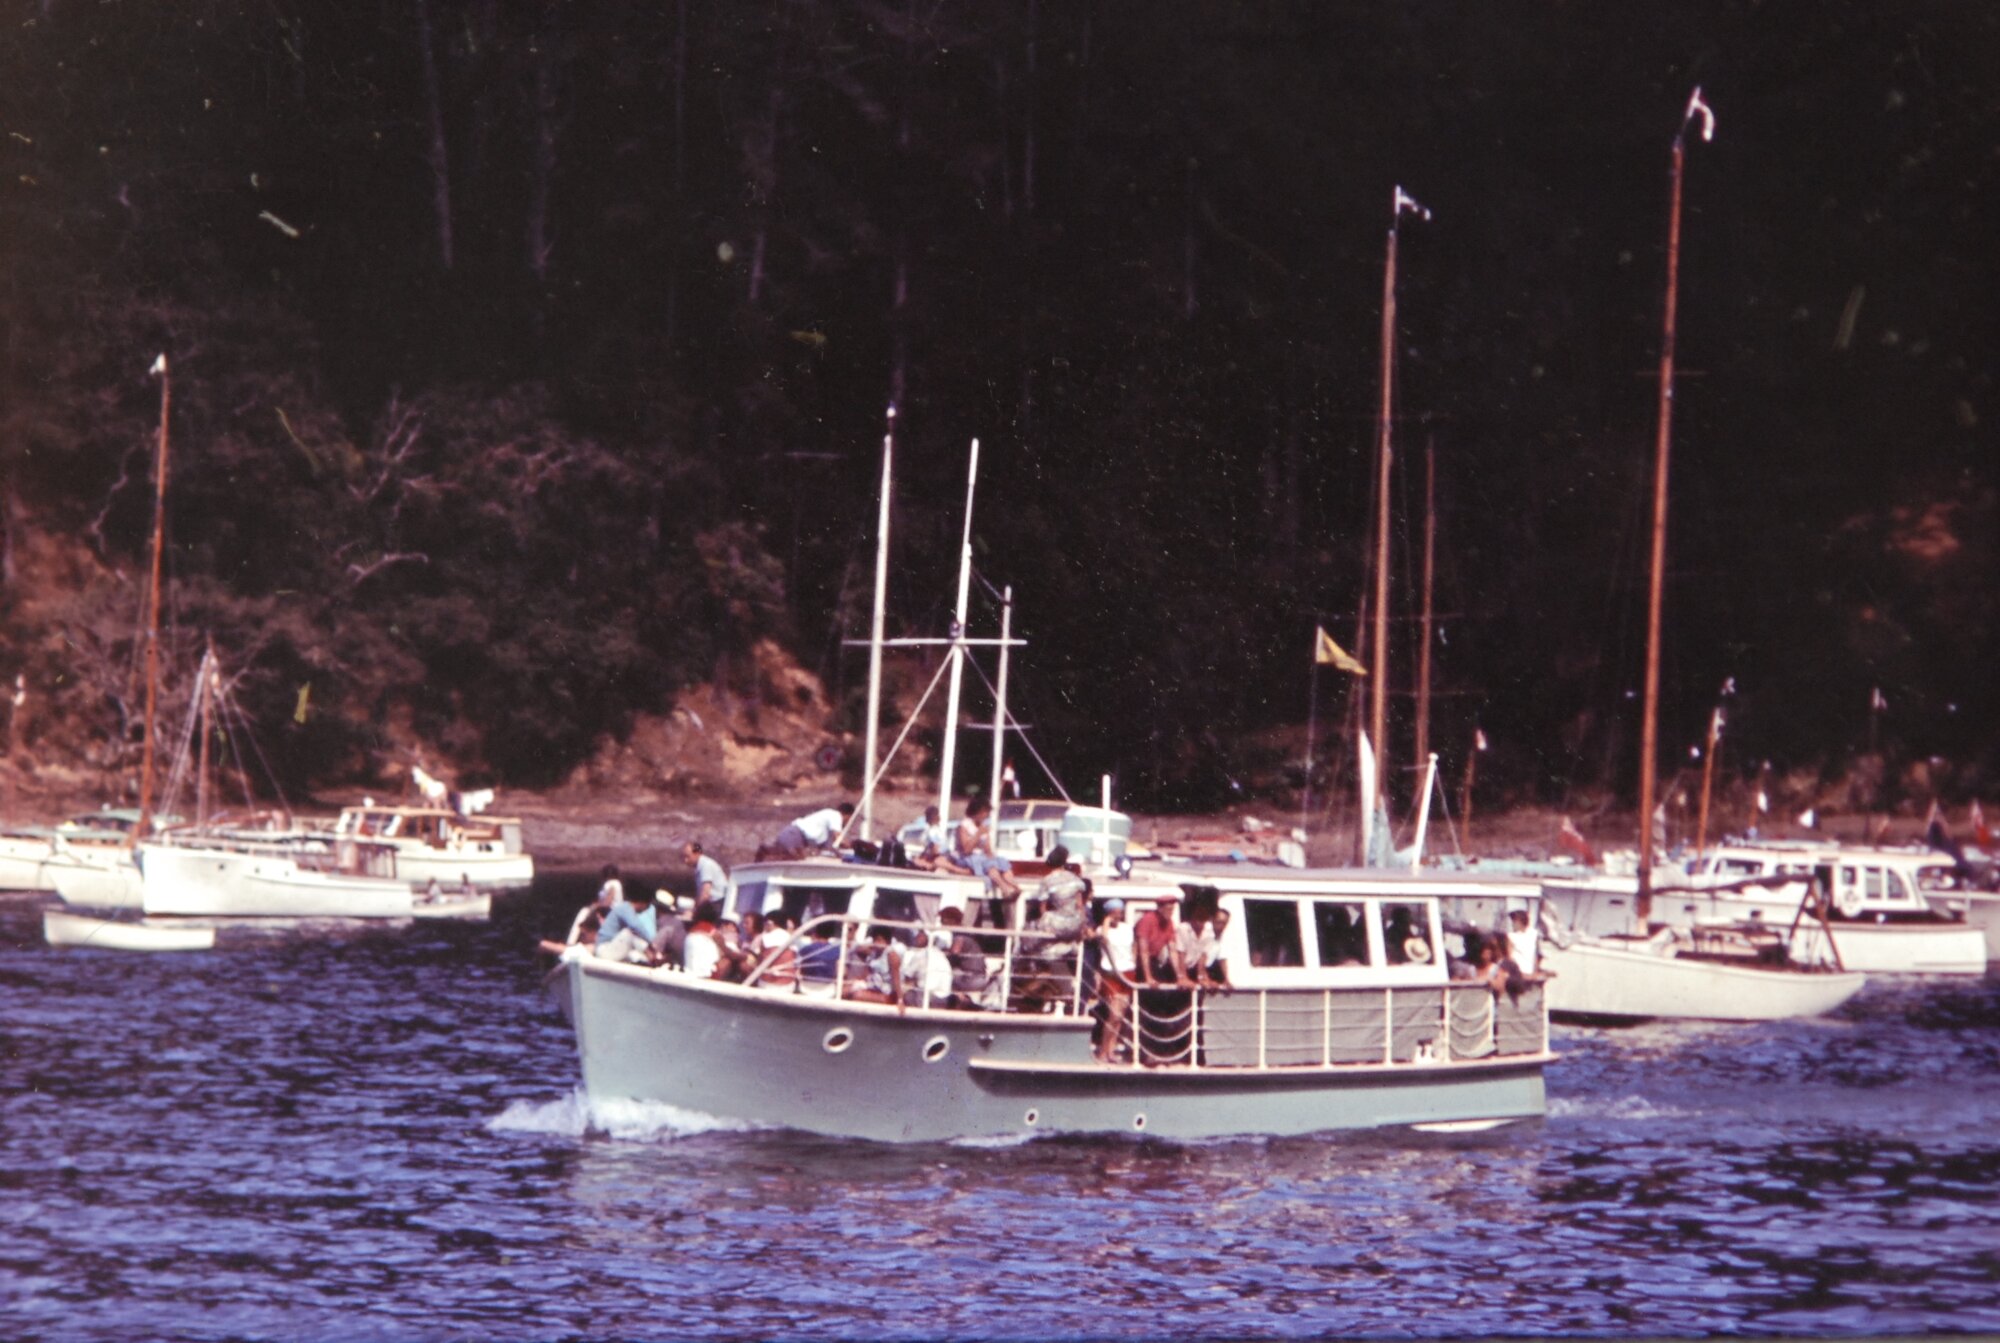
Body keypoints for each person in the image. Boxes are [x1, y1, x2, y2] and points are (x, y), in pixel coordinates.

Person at [1014, 846, 1090, 1008]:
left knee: (1031, 929)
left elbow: (1043, 907)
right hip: (1075, 922)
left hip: (1058, 922)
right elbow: (1079, 905)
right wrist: (1082, 925)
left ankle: (1029, 958)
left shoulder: (1047, 881)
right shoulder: (1075, 879)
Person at [1092, 899, 1137, 1062]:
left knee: (1120, 1016)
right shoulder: (1101, 929)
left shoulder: (1127, 928)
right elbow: (1103, 939)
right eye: (1114, 913)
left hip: (1128, 971)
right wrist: (1106, 922)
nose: (1118, 916)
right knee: (1114, 1014)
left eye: (1120, 912)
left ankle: (1111, 1050)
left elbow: (1133, 947)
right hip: (1110, 971)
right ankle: (1103, 1051)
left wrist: (1133, 961)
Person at [952, 798, 1021, 897]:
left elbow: (988, 850)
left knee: (1001, 862)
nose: (986, 815)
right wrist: (978, 834)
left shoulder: (982, 826)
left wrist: (990, 852)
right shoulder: (964, 826)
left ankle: (1015, 886)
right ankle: (1005, 889)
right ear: (977, 811)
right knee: (989, 865)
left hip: (982, 857)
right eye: (985, 812)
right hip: (967, 858)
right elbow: (966, 850)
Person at [936, 906, 990, 1008]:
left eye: (943, 918)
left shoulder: (959, 934)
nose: (941, 921)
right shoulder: (964, 932)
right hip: (978, 976)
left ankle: (948, 1002)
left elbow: (955, 952)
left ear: (951, 920)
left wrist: (939, 954)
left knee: (942, 973)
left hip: (972, 978)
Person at [594, 886, 662, 964]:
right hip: (605, 949)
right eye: (647, 907)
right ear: (642, 903)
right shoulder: (625, 908)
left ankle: (650, 960)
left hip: (612, 947)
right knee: (629, 933)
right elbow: (636, 926)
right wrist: (651, 944)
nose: (645, 910)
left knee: (636, 955)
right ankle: (651, 955)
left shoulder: (626, 909)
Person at [765, 804, 854, 861]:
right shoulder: (835, 815)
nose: (847, 823)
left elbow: (830, 848)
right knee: (794, 861)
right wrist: (852, 847)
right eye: (849, 819)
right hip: (794, 835)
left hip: (791, 835)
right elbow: (839, 838)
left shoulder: (825, 830)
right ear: (846, 815)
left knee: (792, 860)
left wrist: (840, 855)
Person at [845, 926, 904, 1010]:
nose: (876, 943)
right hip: (872, 987)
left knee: (857, 995)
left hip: (886, 993)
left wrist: (900, 1000)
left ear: (887, 941)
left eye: (879, 940)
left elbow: (896, 979)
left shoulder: (892, 956)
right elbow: (867, 974)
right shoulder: (873, 953)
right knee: (844, 990)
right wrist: (855, 982)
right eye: (874, 940)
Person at [566, 864, 624, 946]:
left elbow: (607, 902)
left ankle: (571, 941)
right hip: (611, 912)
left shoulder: (611, 884)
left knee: (584, 912)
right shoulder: (616, 884)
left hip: (610, 912)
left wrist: (595, 906)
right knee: (587, 914)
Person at [680, 841, 729, 921]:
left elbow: (705, 894)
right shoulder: (699, 867)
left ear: (697, 854)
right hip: (712, 904)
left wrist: (694, 912)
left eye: (688, 857)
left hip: (717, 905)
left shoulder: (706, 865)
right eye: (683, 857)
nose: (685, 860)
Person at [1507, 909, 1540, 976]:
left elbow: (1537, 955)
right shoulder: (1511, 936)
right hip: (1517, 973)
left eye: (1514, 922)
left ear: (1520, 921)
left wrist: (1535, 971)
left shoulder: (1533, 934)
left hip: (1529, 972)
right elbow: (1509, 957)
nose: (1512, 924)